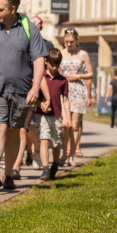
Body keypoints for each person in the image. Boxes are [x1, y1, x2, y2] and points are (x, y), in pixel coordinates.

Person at [0, 0, 48, 190]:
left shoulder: (29, 29)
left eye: (0, 9)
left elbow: (39, 60)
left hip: (21, 90)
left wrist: (35, 87)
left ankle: (9, 175)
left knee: (14, 132)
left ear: (13, 9)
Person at [59, 28, 93, 166]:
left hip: (78, 89)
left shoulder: (83, 54)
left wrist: (79, 76)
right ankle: (64, 153)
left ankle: (71, 154)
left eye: (71, 42)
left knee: (74, 125)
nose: (68, 44)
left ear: (76, 40)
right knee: (64, 125)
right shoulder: (61, 53)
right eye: (66, 42)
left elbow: (90, 73)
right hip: (64, 89)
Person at [35, 48, 69, 181]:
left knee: (56, 143)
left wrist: (67, 117)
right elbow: (34, 96)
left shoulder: (63, 80)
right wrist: (40, 104)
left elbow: (65, 100)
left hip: (57, 115)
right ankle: (45, 169)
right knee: (44, 140)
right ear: (46, 61)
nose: (54, 67)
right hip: (42, 114)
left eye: (57, 65)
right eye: (52, 64)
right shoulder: (41, 77)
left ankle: (54, 164)